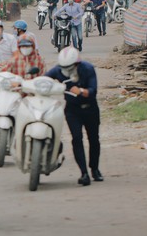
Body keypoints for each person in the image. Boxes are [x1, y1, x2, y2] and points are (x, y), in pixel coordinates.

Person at [45, 46, 103, 186]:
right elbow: (45, 78)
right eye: (64, 67)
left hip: (90, 108)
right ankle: (84, 173)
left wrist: (81, 91)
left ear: (77, 63)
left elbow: (92, 91)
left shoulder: (88, 69)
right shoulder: (58, 70)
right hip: (72, 110)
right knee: (77, 139)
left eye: (70, 67)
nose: (66, 70)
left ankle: (94, 169)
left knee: (94, 139)